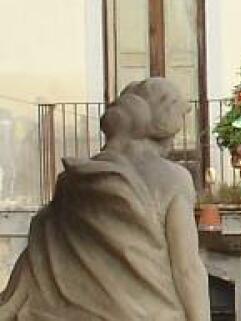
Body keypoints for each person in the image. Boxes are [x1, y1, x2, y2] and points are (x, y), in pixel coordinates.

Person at [0, 78, 211, 321]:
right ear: (164, 129)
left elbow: (36, 262)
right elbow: (187, 270)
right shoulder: (172, 178)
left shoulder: (72, 183)